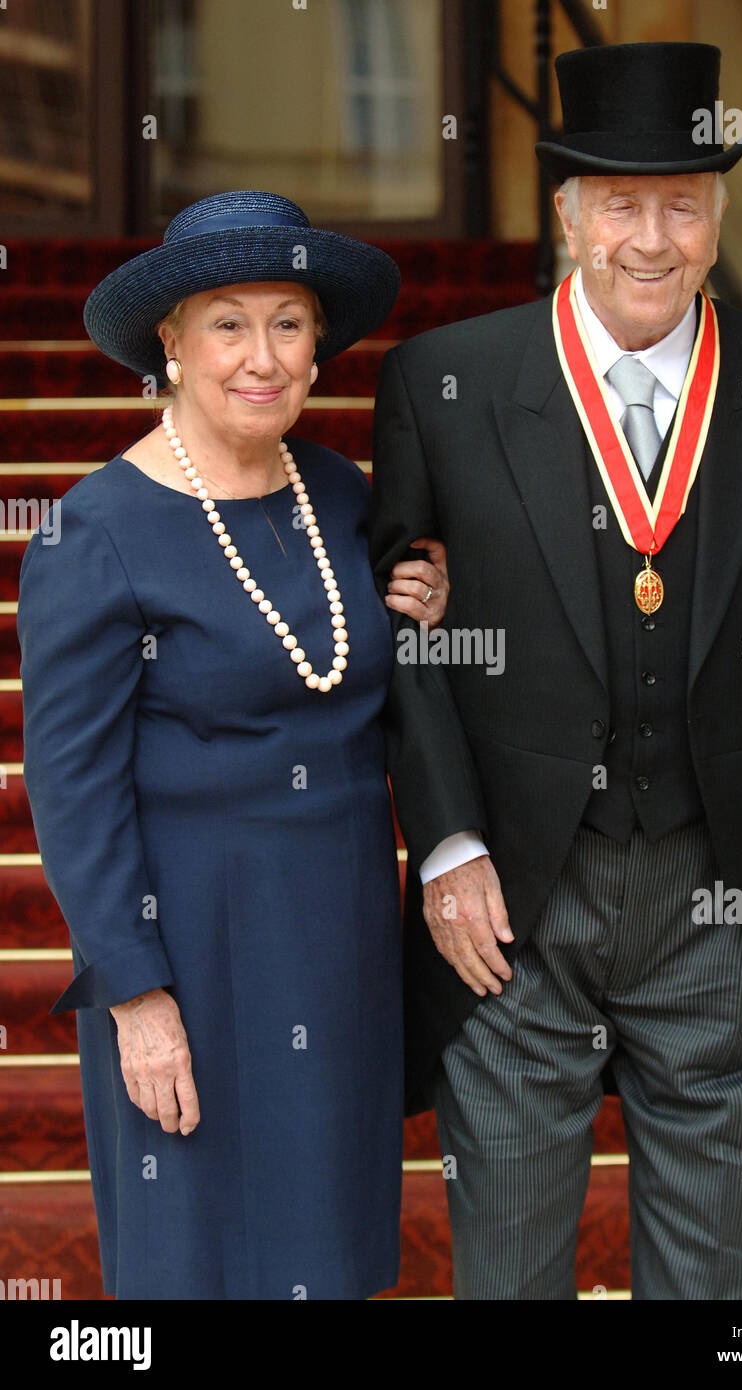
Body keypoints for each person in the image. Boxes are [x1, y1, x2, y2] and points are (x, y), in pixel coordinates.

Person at [369, 43, 742, 1300]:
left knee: (711, 1282)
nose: (649, 239)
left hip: (721, 892)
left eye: (681, 204)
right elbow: (406, 638)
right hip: (512, 902)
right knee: (507, 1274)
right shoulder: (442, 382)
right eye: (618, 203)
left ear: (719, 217)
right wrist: (444, 847)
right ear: (566, 215)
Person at [18, 189, 449, 1300]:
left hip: (342, 939)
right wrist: (136, 998)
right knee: (198, 1259)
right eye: (228, 323)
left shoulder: (343, 496)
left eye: (288, 323)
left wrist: (425, 607)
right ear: (170, 344)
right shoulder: (94, 532)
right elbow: (71, 789)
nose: (263, 357)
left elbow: (360, 678)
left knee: (329, 1251)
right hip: (192, 954)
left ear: (318, 346)